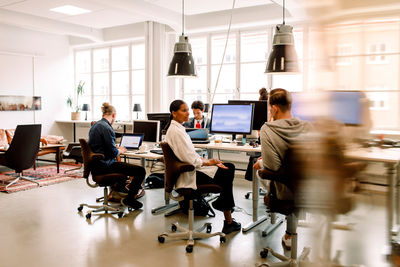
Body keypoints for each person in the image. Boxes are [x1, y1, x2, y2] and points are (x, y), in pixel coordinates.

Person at [165, 100, 241, 234]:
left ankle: (226, 211)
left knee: (226, 169)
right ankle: (227, 215)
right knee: (228, 170)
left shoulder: (178, 129)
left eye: (188, 109)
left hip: (190, 171)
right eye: (184, 110)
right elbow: (190, 159)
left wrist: (211, 161)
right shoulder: (176, 132)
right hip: (189, 176)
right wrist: (210, 162)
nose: (188, 113)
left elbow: (192, 155)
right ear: (174, 113)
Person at [253, 88, 311, 249]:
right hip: (307, 187)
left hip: (283, 190)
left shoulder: (268, 129)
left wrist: (262, 164)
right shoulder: (306, 126)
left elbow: (273, 168)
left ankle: (288, 233)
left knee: (260, 171)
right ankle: (290, 234)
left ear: (274, 108)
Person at [88, 102, 145, 210]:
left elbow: (102, 147)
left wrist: (115, 148)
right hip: (105, 166)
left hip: (97, 166)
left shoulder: (95, 125)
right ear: (113, 115)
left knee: (125, 166)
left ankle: (120, 193)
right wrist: (120, 150)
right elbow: (113, 153)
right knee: (140, 171)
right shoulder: (107, 128)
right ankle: (130, 199)